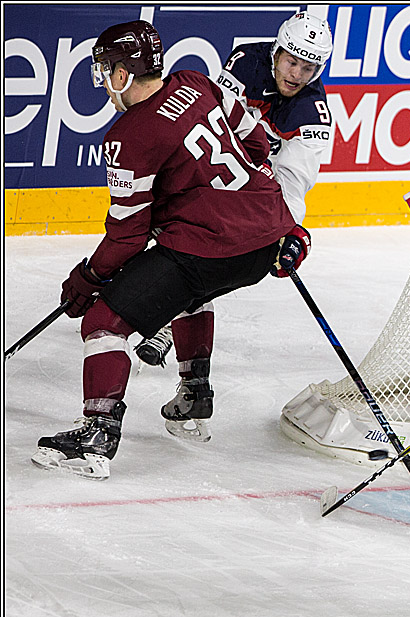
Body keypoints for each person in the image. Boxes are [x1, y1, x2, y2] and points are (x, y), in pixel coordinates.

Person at [32, 20, 309, 479]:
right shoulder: (197, 83)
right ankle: (194, 394)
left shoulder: (128, 138)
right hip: (269, 240)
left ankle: (96, 436)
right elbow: (258, 141)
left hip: (209, 247)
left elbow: (127, 237)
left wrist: (88, 278)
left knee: (104, 322)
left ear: (122, 75)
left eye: (106, 73)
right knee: (188, 290)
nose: (104, 83)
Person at [134, 11, 332, 367]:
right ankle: (128, 286)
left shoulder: (312, 114)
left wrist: (287, 230)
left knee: (219, 250)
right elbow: (215, 121)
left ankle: (167, 312)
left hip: (256, 188)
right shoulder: (247, 62)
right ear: (277, 51)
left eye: (307, 68)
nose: (296, 74)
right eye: (292, 62)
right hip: (218, 161)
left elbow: (294, 182)